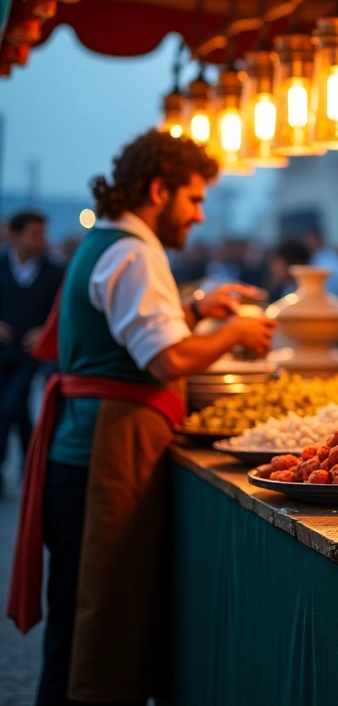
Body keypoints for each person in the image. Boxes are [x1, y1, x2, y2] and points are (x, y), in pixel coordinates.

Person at [6, 130, 276, 706]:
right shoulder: (135, 250)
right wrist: (234, 331)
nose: (199, 216)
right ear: (159, 189)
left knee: (80, 622)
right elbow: (166, 357)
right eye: (195, 200)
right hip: (99, 458)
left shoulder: (109, 240)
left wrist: (199, 308)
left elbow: (127, 329)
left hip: (83, 451)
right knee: (93, 626)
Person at [0, 210, 65, 491]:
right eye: (34, 234)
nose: (41, 240)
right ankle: (31, 467)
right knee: (18, 410)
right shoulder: (1, 264)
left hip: (31, 354)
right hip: (3, 350)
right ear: (16, 235)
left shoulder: (55, 271)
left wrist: (44, 331)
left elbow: (61, 310)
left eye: (42, 234)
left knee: (8, 407)